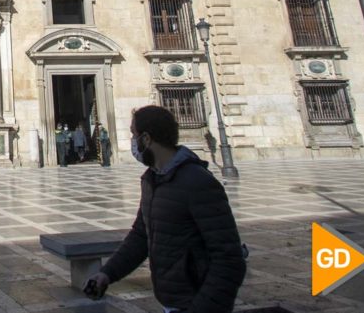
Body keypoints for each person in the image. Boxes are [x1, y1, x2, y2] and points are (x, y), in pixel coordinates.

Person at [85, 105, 245, 313]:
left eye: (133, 134)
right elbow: (141, 236)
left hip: (194, 303)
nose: (132, 142)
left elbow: (229, 259)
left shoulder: (197, 182)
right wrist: (107, 274)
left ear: (146, 139)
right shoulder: (152, 179)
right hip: (170, 302)